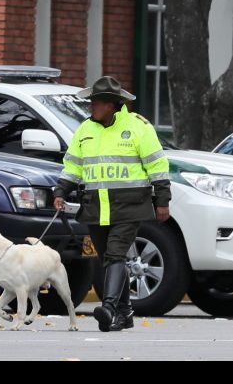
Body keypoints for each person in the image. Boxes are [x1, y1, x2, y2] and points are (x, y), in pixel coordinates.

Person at [53, 76, 170, 332]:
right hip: (96, 207)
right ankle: (125, 313)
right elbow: (73, 165)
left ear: (111, 104)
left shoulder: (139, 127)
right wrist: (61, 190)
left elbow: (158, 167)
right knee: (108, 258)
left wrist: (163, 200)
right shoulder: (85, 129)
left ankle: (108, 308)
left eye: (95, 102)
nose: (90, 107)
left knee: (116, 254)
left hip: (130, 206)